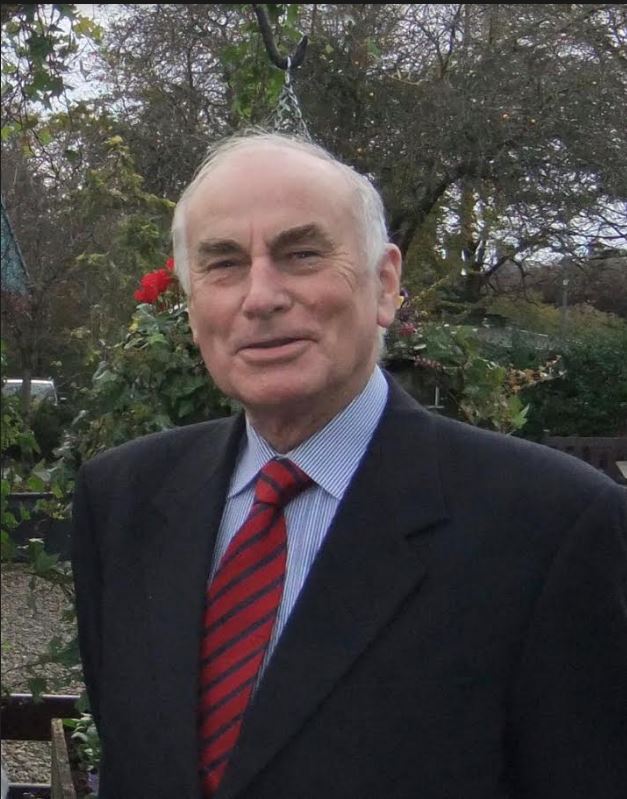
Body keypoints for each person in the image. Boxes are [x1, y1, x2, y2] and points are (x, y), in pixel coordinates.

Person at [71, 131, 627, 799]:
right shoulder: (123, 500)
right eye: (223, 263)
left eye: (301, 254)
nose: (260, 296)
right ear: (192, 309)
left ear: (385, 284)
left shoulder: (550, 525)